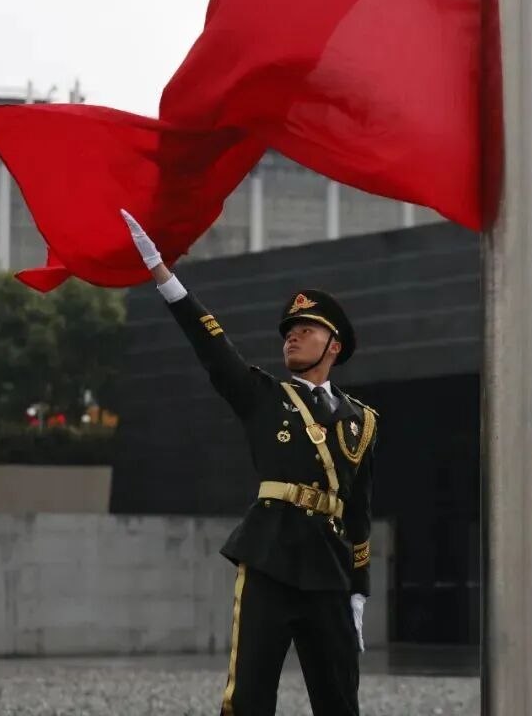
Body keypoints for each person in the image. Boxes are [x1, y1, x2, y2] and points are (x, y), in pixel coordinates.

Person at [122, 210, 377, 716]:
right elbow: (212, 347)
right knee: (250, 697)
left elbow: (359, 510)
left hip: (329, 570)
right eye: (289, 331)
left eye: (306, 329)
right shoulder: (264, 396)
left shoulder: (362, 421)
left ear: (335, 345)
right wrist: (163, 276)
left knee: (340, 701)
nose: (292, 337)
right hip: (270, 560)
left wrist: (360, 590)